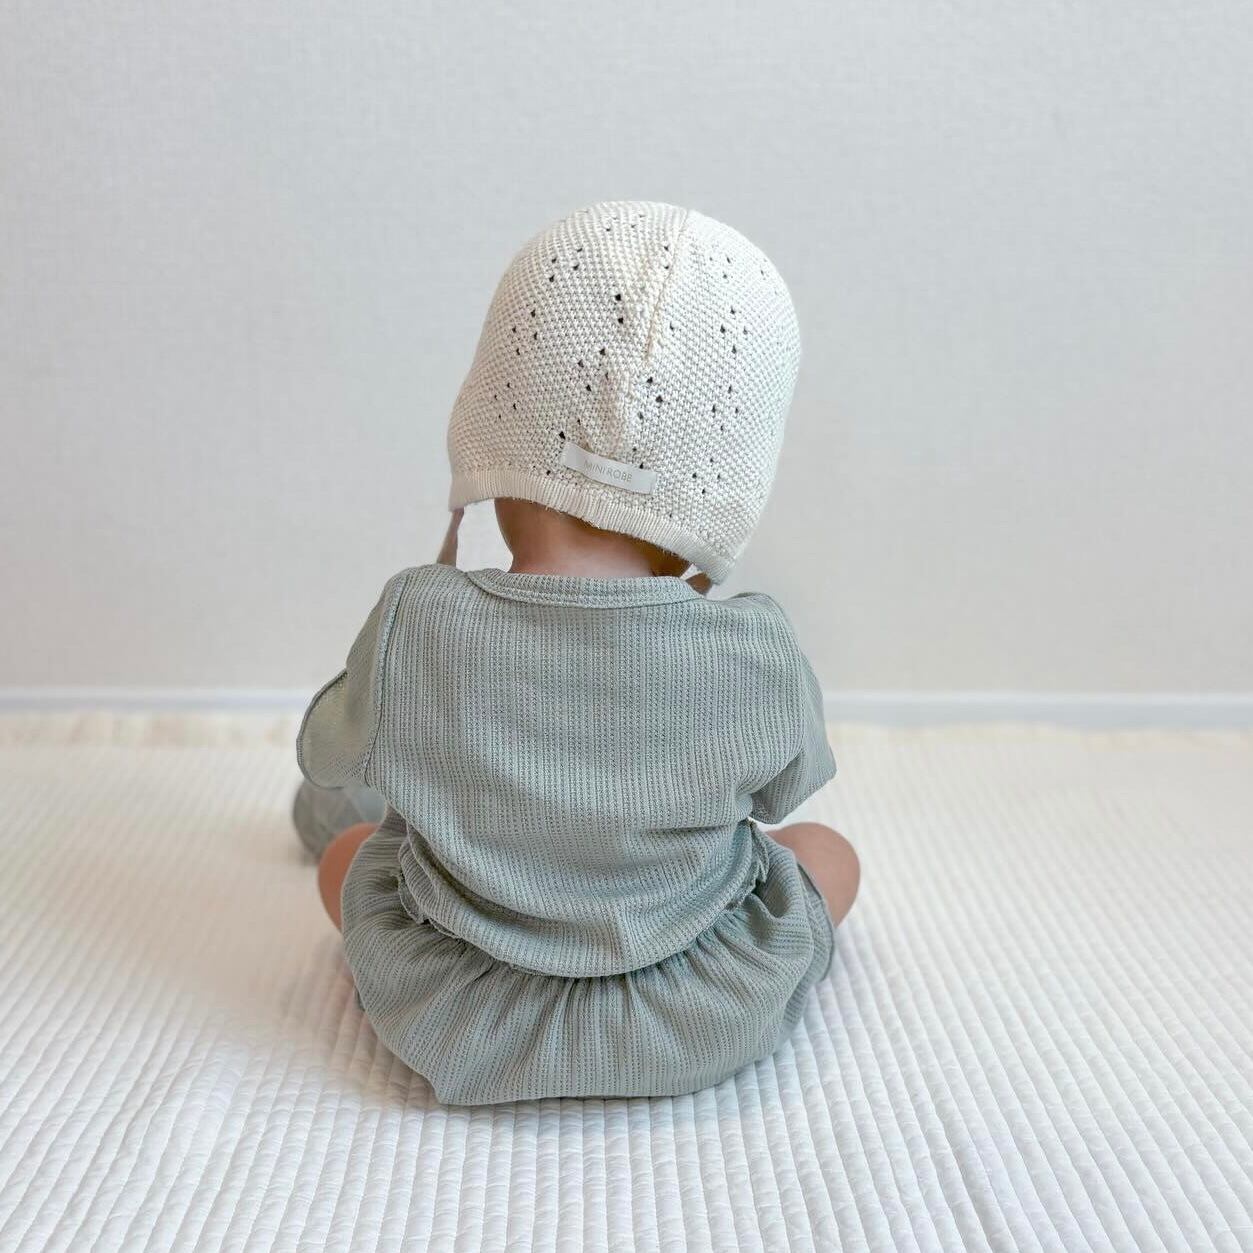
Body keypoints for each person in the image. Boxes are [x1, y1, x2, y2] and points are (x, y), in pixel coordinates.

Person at [292, 201, 859, 1105]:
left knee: (351, 848)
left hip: (456, 1012)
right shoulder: (754, 646)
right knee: (824, 851)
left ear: (490, 439)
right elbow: (782, 792)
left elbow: (328, 753)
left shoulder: (420, 616)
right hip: (698, 1013)